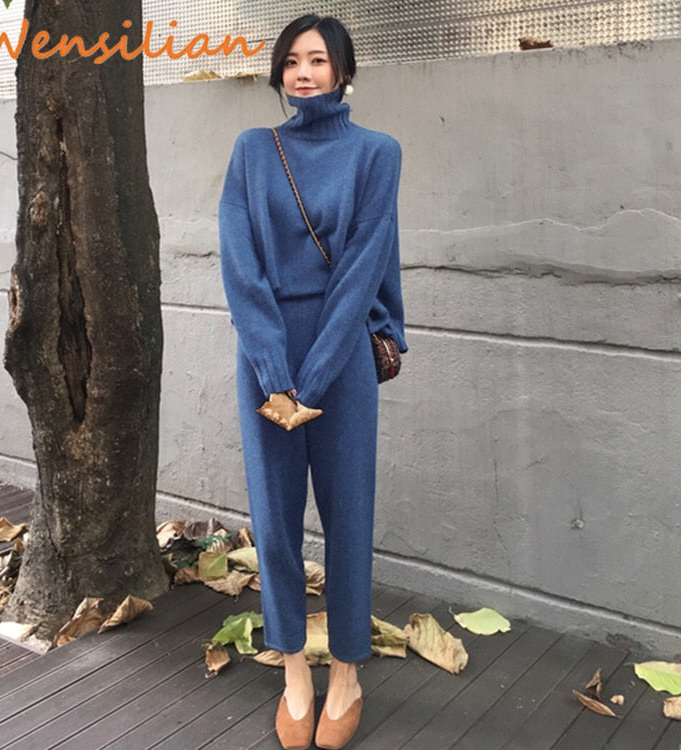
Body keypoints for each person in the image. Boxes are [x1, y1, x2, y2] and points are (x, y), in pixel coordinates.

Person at [219, 14, 406, 750]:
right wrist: (274, 373)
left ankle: (348, 673)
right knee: (273, 520)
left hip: (341, 352)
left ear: (343, 71)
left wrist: (316, 379)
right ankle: (295, 670)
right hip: (266, 354)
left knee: (348, 515)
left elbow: (362, 268)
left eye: (319, 59)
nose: (303, 72)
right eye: (292, 60)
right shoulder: (251, 150)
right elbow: (241, 265)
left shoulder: (377, 153)